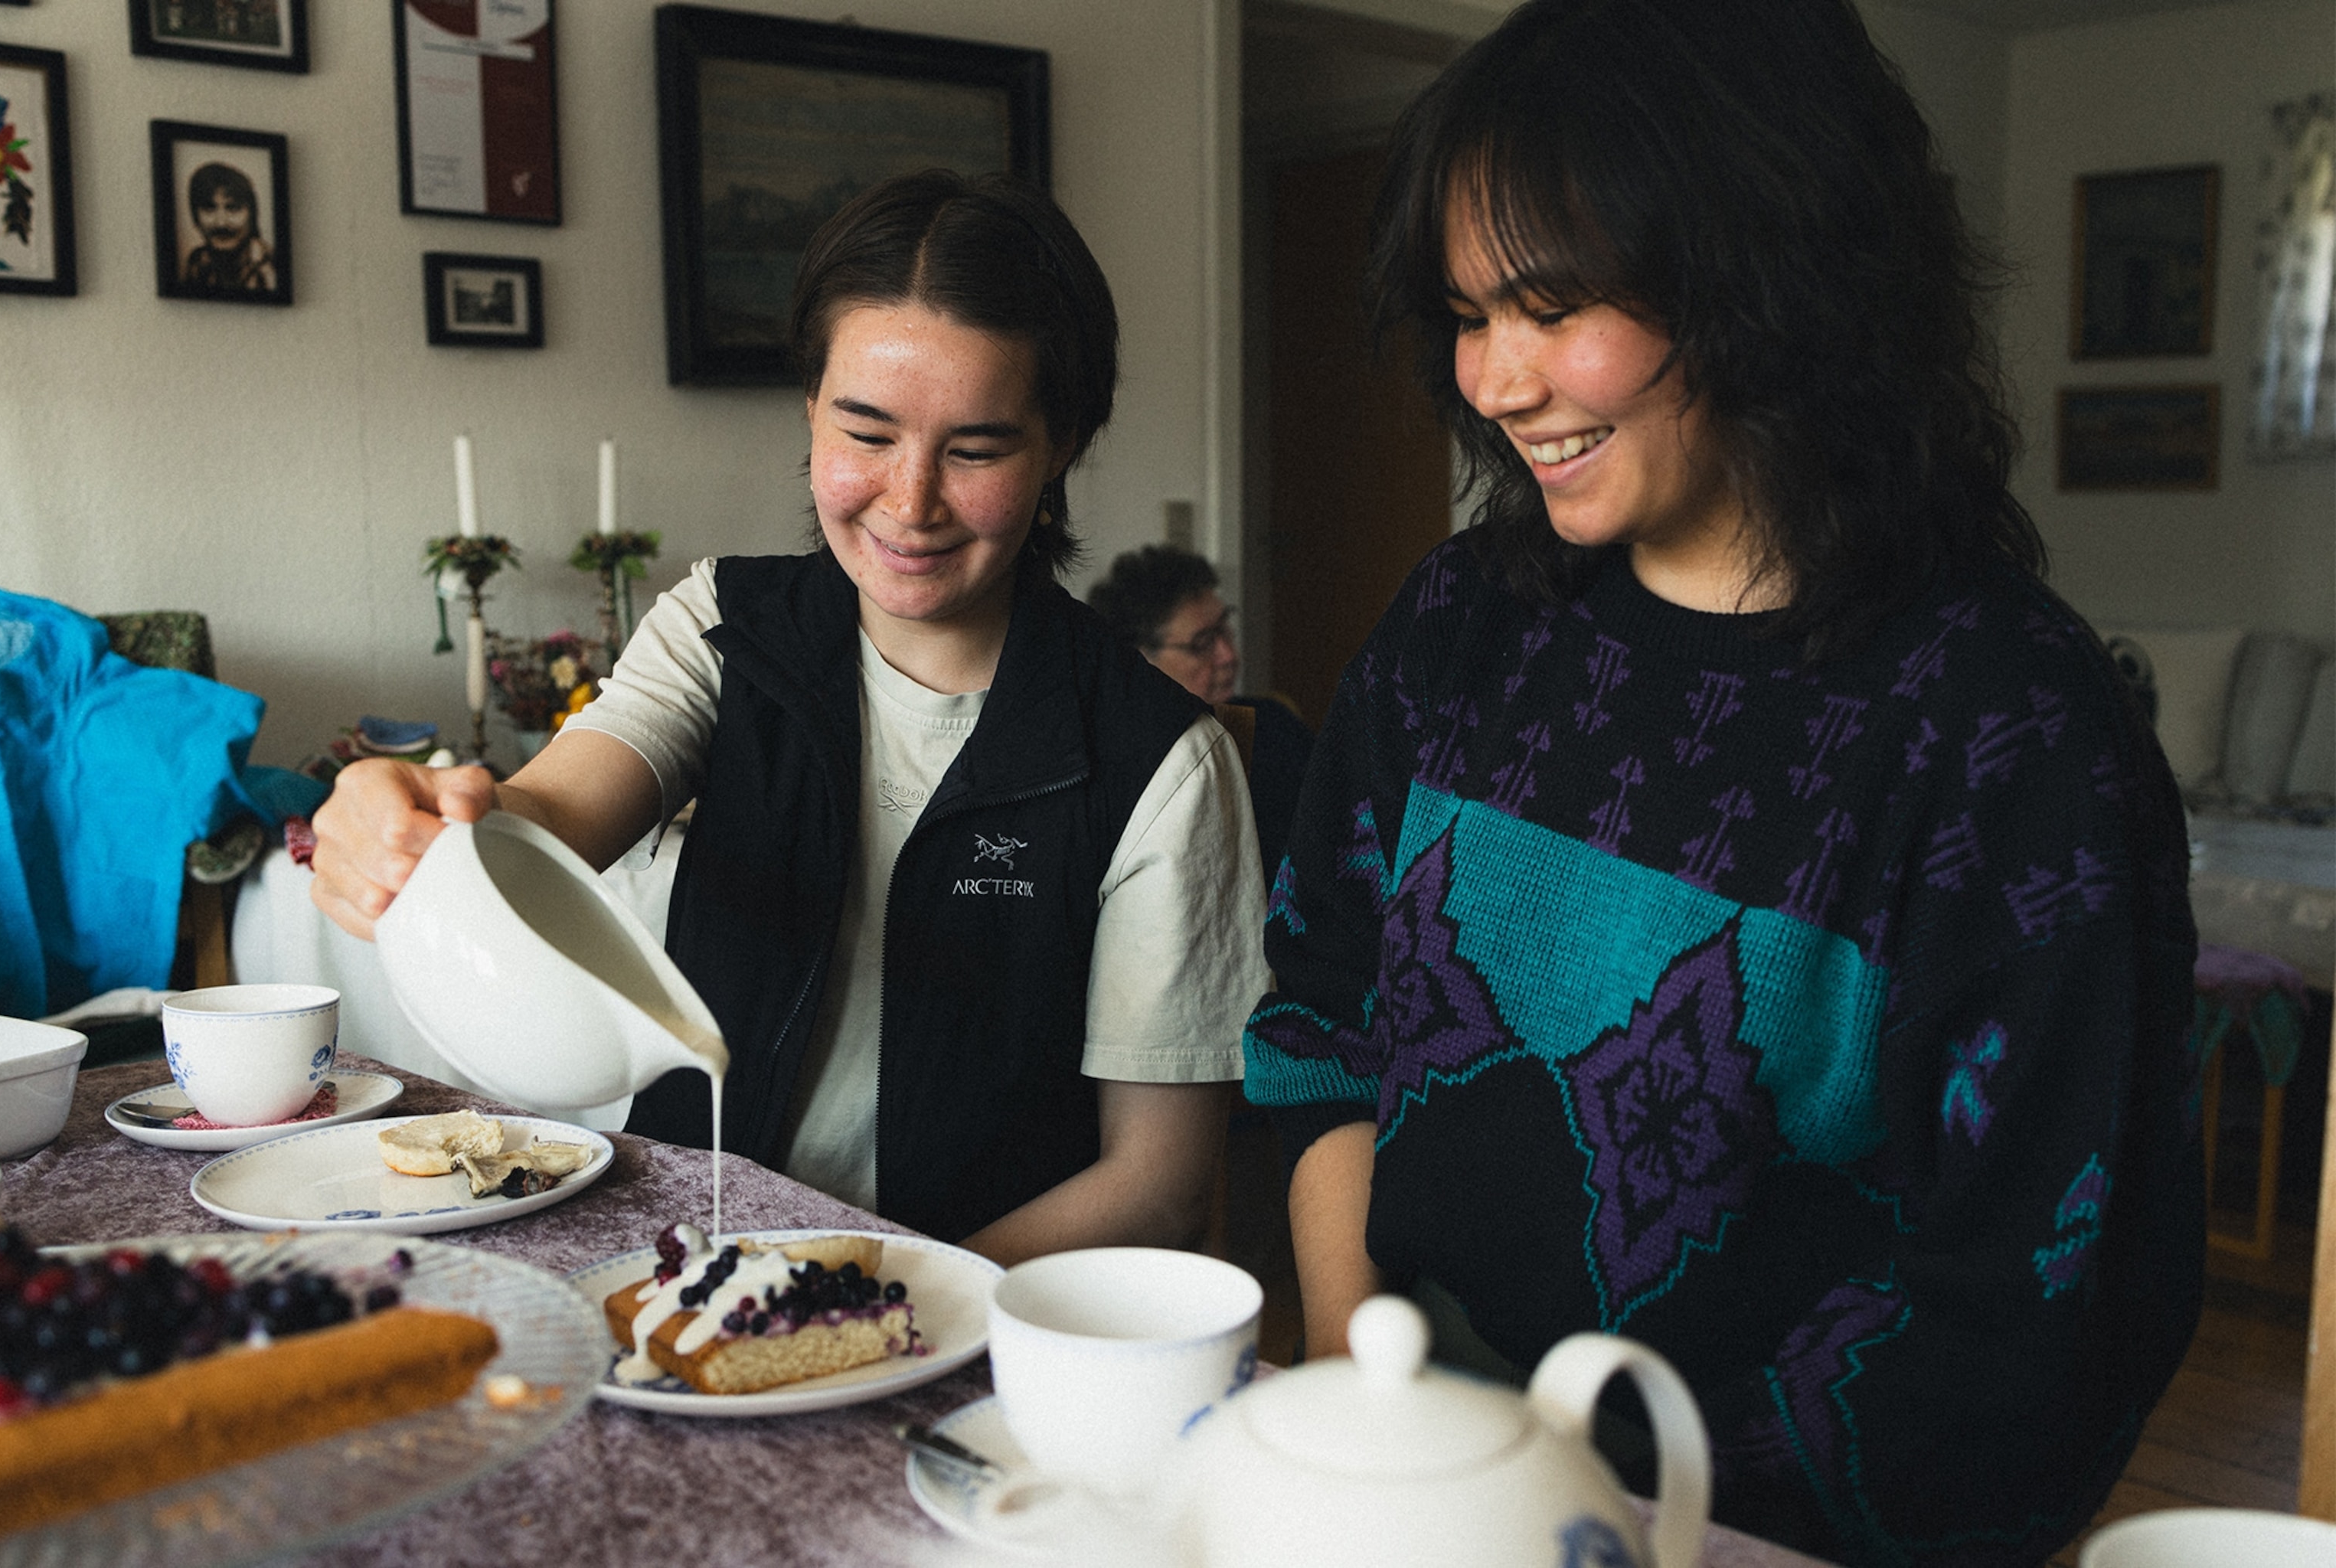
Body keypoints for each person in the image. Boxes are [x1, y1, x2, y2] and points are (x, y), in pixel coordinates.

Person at [1241, 4, 2201, 1565]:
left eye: (1550, 306)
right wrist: (1384, 1417)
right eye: (1468, 314)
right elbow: (1321, 1023)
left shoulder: (2007, 732)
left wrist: (1623, 1529)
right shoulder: (1458, 622)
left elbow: (2034, 1321)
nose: (1494, 380)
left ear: (1769, 275)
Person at [312, 170, 1267, 1264]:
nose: (910, 503)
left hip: (963, 1319)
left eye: (976, 450)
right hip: (673, 1272)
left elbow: (1157, 1188)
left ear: (1062, 448)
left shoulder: (1160, 762)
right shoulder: (724, 626)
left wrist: (854, 1296)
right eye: (865, 432)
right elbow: (542, 823)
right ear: (810, 408)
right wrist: (423, 825)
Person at [1086, 544, 1315, 882]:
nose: (1227, 655)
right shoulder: (1109, 768)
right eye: (1203, 643)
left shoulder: (1275, 725)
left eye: (1224, 628)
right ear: (1137, 661)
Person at [178, 162, 276, 292]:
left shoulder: (273, 266)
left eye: (233, 208)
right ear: (195, 217)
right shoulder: (197, 263)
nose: (221, 223)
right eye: (209, 208)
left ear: (252, 215)